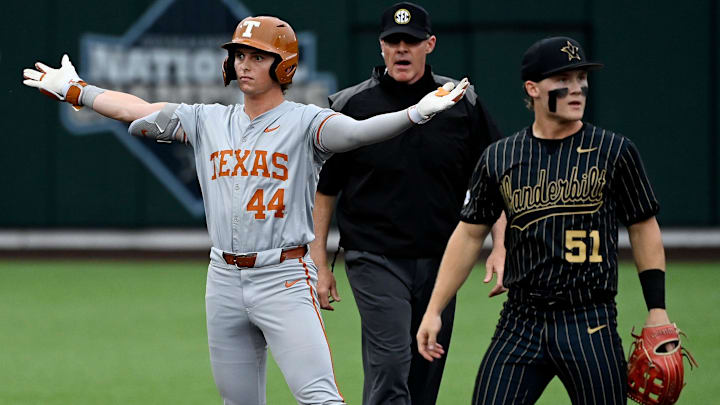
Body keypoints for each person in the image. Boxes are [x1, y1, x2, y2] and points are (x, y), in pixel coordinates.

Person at [22, 15, 471, 405]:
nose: (244, 64)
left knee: (319, 396)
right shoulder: (208, 120)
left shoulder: (307, 122)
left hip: (284, 276)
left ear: (284, 65)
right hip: (223, 278)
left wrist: (415, 113)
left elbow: (357, 133)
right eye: (240, 55)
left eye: (257, 56)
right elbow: (137, 108)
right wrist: (77, 90)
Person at [416, 36, 674, 405]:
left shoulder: (614, 151)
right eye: (562, 79)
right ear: (533, 88)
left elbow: (642, 226)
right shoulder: (500, 157)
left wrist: (657, 309)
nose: (577, 88)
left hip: (590, 318)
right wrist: (434, 310)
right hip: (521, 320)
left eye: (581, 77)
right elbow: (469, 235)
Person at [309, 3, 505, 404]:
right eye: (393, 41)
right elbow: (324, 190)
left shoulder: (461, 102)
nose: (402, 49)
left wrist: (501, 246)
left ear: (429, 44)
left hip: (443, 259)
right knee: (390, 366)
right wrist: (319, 263)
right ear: (380, 47)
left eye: (411, 41)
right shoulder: (350, 106)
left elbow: (495, 178)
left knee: (425, 368)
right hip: (373, 256)